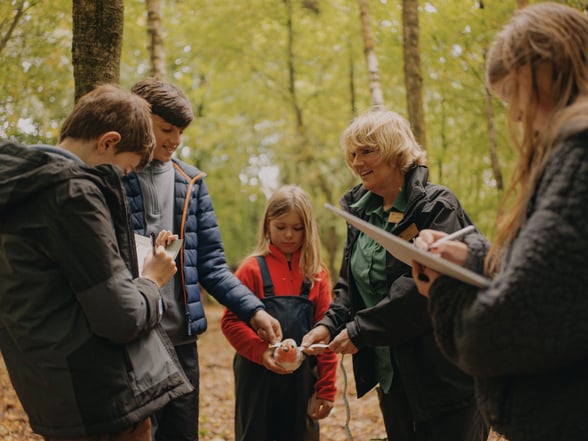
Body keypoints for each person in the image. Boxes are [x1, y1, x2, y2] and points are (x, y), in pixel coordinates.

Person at [412, 3, 588, 441]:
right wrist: (474, 258)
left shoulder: (579, 161)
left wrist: (445, 288)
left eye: (515, 95)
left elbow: (507, 329)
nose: (515, 117)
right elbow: (554, 277)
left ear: (547, 74)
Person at [0, 84, 194, 441]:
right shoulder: (73, 193)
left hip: (49, 390)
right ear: (107, 141)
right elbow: (122, 317)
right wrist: (152, 280)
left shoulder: (19, 186)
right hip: (100, 398)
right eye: (124, 170)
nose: (122, 180)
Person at [302, 109, 487, 441]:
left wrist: (360, 331)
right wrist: (327, 325)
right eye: (352, 154)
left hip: (446, 376)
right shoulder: (362, 214)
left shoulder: (436, 206)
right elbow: (348, 285)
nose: (357, 162)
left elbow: (420, 289)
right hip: (392, 376)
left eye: (367, 151)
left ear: (394, 150)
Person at [121, 77, 282, 441]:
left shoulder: (191, 182)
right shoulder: (113, 174)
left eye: (180, 131)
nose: (175, 140)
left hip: (180, 344)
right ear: (140, 119)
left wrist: (253, 310)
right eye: (166, 129)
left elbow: (211, 265)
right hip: (130, 340)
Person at [220, 185, 337, 441]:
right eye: (281, 227)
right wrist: (260, 352)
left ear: (308, 229)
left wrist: (326, 388)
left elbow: (327, 330)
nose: (289, 235)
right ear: (267, 226)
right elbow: (230, 322)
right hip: (256, 377)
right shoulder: (251, 269)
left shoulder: (316, 273)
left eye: (297, 229)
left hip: (302, 381)